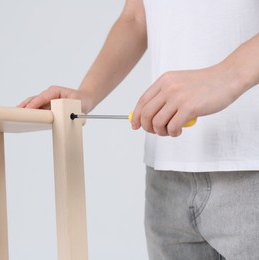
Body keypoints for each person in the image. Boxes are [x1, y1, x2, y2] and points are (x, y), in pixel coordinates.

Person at [19, 0, 259, 259]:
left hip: (251, 167)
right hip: (166, 179)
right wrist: (86, 94)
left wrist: (226, 75)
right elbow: (135, 17)